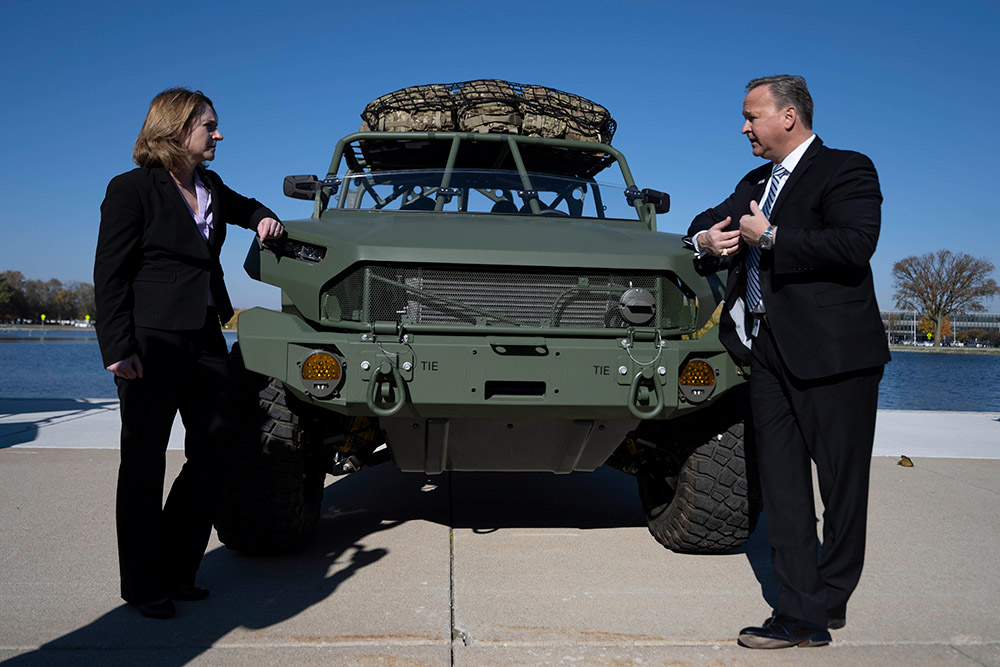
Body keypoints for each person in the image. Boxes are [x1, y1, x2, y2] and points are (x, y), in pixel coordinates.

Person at [688, 75, 890, 649]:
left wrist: (771, 236)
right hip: (766, 353)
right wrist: (707, 241)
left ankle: (830, 598)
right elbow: (707, 221)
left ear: (790, 117)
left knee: (842, 491)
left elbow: (855, 244)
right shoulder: (754, 181)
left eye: (752, 116)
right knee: (783, 490)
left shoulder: (847, 169)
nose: (744, 126)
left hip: (836, 358)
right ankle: (800, 613)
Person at [94, 88, 285, 619]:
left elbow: (246, 208)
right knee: (142, 464)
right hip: (149, 343)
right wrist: (117, 348)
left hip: (204, 335)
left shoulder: (211, 186)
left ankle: (178, 568)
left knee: (216, 449)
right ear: (178, 129)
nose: (218, 134)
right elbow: (110, 274)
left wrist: (265, 218)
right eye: (210, 125)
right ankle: (143, 584)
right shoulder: (131, 190)